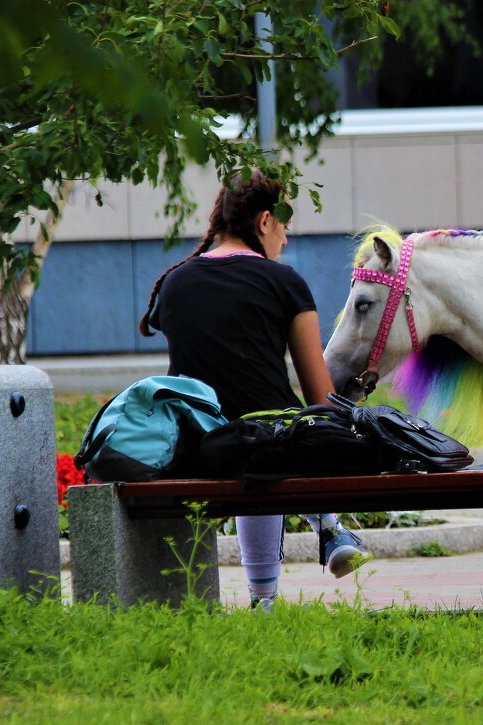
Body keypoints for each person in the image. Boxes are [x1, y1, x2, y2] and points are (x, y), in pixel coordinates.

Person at [138, 173, 370, 611]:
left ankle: (268, 595)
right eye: (283, 225)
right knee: (293, 432)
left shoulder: (174, 284)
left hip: (201, 448)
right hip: (270, 444)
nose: (284, 237)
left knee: (251, 441)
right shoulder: (283, 282)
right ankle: (329, 527)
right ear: (264, 221)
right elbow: (318, 394)